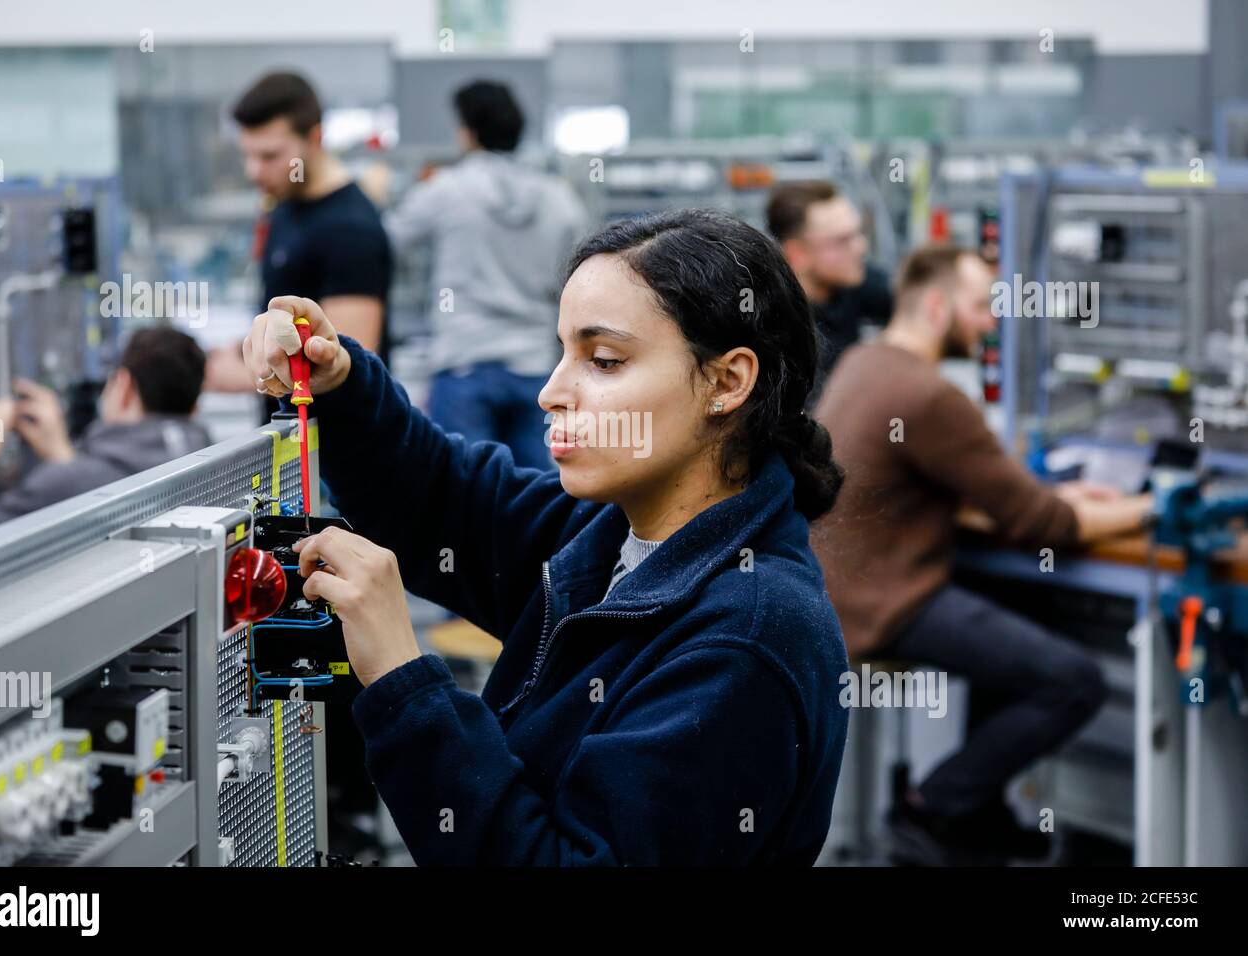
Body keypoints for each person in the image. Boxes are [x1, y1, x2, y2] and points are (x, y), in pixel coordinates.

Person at [242, 209, 849, 865]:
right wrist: (339, 382)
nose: (552, 392)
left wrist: (402, 677)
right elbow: (443, 497)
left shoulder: (746, 639)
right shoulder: (611, 537)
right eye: (562, 353)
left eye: (605, 360)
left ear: (727, 382)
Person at [809, 245, 1153, 866]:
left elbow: (974, 488)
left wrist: (1051, 492)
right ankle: (932, 805)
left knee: (1020, 600)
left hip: (838, 590)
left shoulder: (865, 361)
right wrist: (1152, 507)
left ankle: (975, 813)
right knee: (1072, 680)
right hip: (880, 604)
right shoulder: (928, 395)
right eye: (978, 307)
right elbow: (1041, 522)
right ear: (938, 308)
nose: (991, 322)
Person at [385, 79, 587, 471]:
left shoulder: (448, 189)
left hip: (464, 364)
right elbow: (582, 277)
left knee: (464, 495)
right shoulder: (560, 199)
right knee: (543, 498)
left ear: (469, 132)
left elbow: (386, 240)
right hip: (538, 368)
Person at [206, 71, 392, 396]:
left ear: (315, 139)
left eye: (270, 156)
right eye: (246, 154)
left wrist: (241, 376)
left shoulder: (351, 230)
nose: (253, 171)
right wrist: (241, 350)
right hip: (290, 436)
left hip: (334, 444)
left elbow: (343, 368)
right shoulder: (284, 207)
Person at [0, 327, 211, 541]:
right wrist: (64, 457)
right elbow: (91, 482)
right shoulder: (203, 458)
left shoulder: (73, 481)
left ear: (123, 385)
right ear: (194, 406)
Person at [765, 181, 893, 393]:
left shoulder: (857, 283)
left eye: (857, 233)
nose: (861, 247)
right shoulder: (778, 333)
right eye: (843, 240)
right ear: (798, 254)